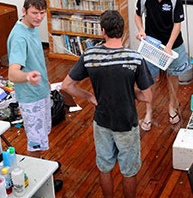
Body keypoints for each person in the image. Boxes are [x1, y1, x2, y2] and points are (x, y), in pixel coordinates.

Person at [60, 11, 153, 198]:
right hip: (127, 123)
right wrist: (128, 90)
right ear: (123, 32)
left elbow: (66, 86)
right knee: (129, 170)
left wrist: (88, 96)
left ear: (103, 31)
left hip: (102, 121)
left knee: (105, 167)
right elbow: (147, 97)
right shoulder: (135, 58)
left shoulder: (90, 55)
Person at [7, 0, 63, 191]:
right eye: (34, 13)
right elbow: (13, 73)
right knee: (36, 143)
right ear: (24, 11)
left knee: (41, 137)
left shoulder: (32, 28)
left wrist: (44, 83)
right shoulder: (20, 36)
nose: (39, 17)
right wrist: (28, 77)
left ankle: (41, 167)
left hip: (40, 93)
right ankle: (38, 183)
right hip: (31, 99)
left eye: (42, 13)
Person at [134, 0, 190, 131]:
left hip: (173, 43)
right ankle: (148, 112)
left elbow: (177, 25)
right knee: (149, 78)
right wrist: (141, 30)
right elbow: (138, 15)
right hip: (152, 43)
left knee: (173, 76)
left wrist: (169, 46)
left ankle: (172, 107)